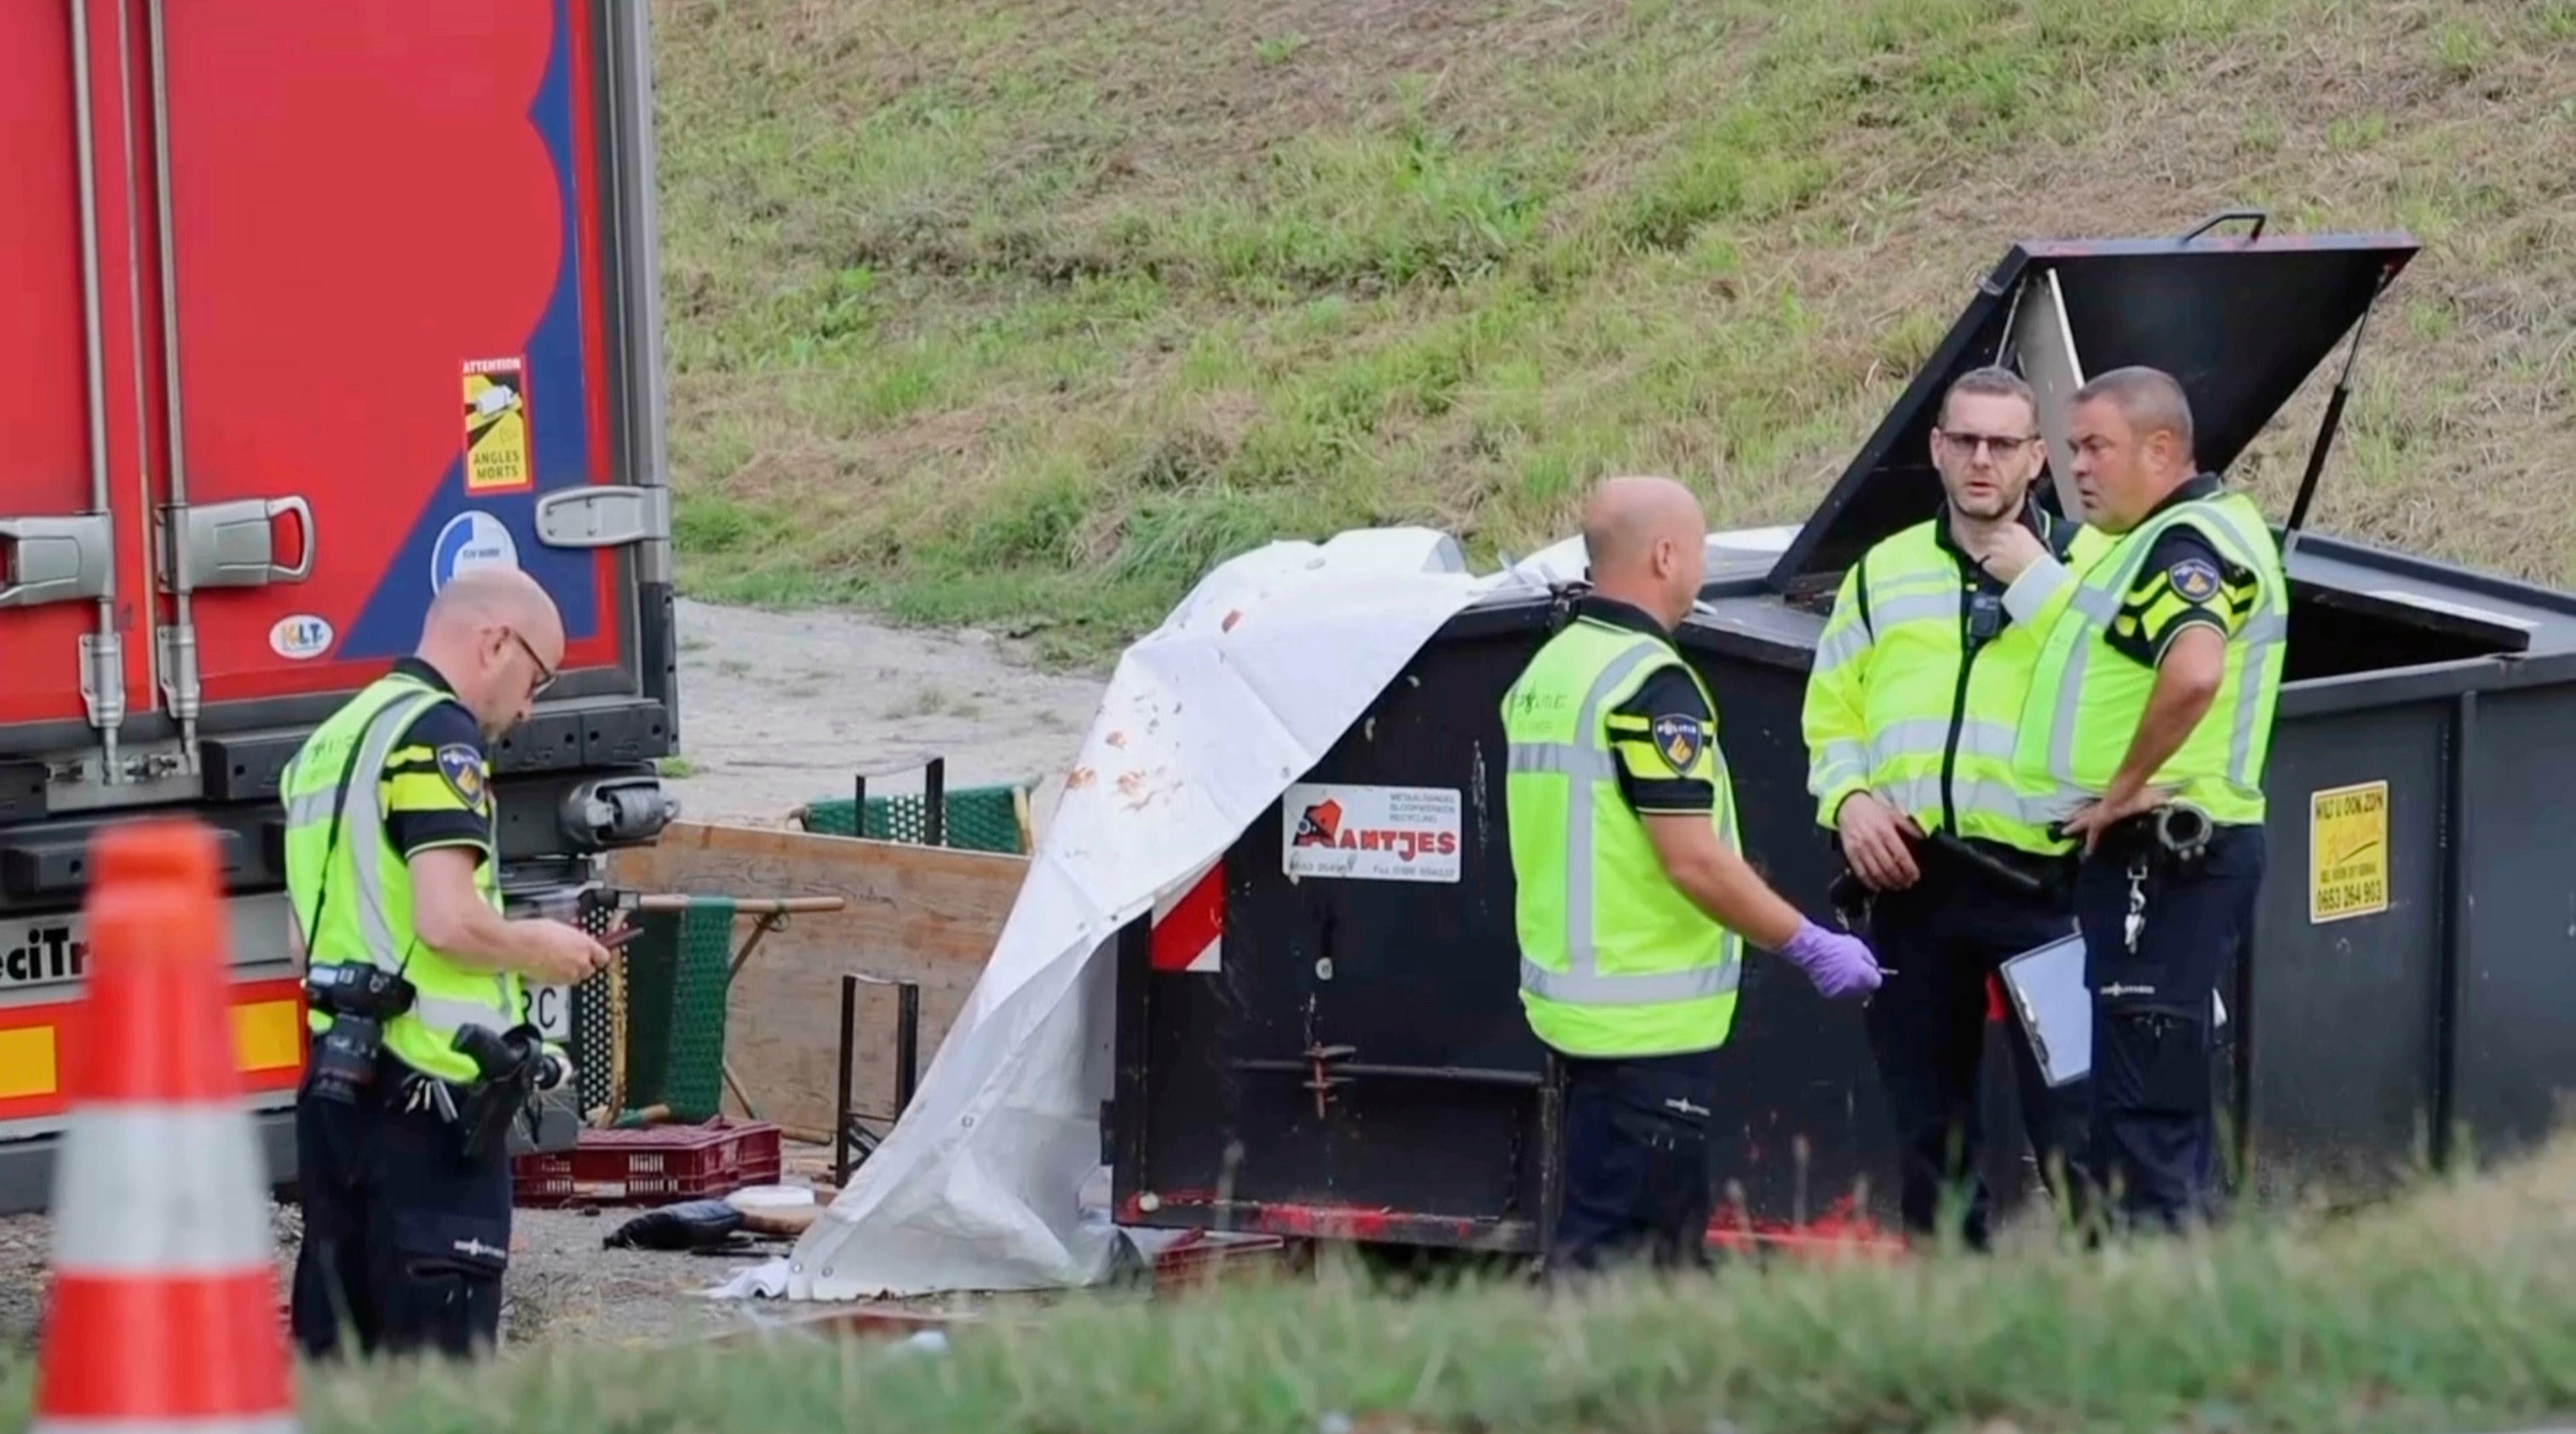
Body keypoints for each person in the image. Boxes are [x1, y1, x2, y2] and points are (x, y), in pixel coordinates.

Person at [1502, 475, 1884, 1276]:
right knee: (1623, 1260)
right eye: (1701, 549)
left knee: (1625, 1246)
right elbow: (1692, 856)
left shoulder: (1553, 667)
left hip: (1577, 1010)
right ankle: (1589, 1397)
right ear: (1666, 554)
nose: (1703, 569)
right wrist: (1808, 942)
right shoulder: (1651, 686)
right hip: (1648, 1021)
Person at [1800, 366, 2108, 1249]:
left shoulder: (2091, 572)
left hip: (2050, 894)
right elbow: (1832, 714)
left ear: (2037, 459)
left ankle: (2104, 1334)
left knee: (2078, 1137)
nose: (1982, 460)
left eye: (2003, 444)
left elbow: (2126, 692)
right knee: (1930, 1140)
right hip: (1914, 889)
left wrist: (2043, 585)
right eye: (1964, 441)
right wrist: (1851, 799)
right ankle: (1951, 1333)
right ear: (1936, 450)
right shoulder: (1882, 573)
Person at [284, 567, 618, 1359]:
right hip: (432, 1109)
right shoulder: (437, 733)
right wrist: (541, 945)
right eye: (536, 676)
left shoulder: (327, 744)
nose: (531, 704)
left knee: (340, 1376)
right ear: (495, 640)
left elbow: (305, 942)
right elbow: (445, 918)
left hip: (336, 1095)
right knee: (438, 1385)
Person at [2011, 366, 2287, 1234]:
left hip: (2167, 860)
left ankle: (2169, 1327)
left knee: (2147, 1121)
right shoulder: (2145, 538)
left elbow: (2195, 669)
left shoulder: (2186, 543)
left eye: (2096, 447)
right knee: (2137, 1109)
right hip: (2153, 867)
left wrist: (2119, 792)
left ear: (2161, 449)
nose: (2076, 468)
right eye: (2071, 449)